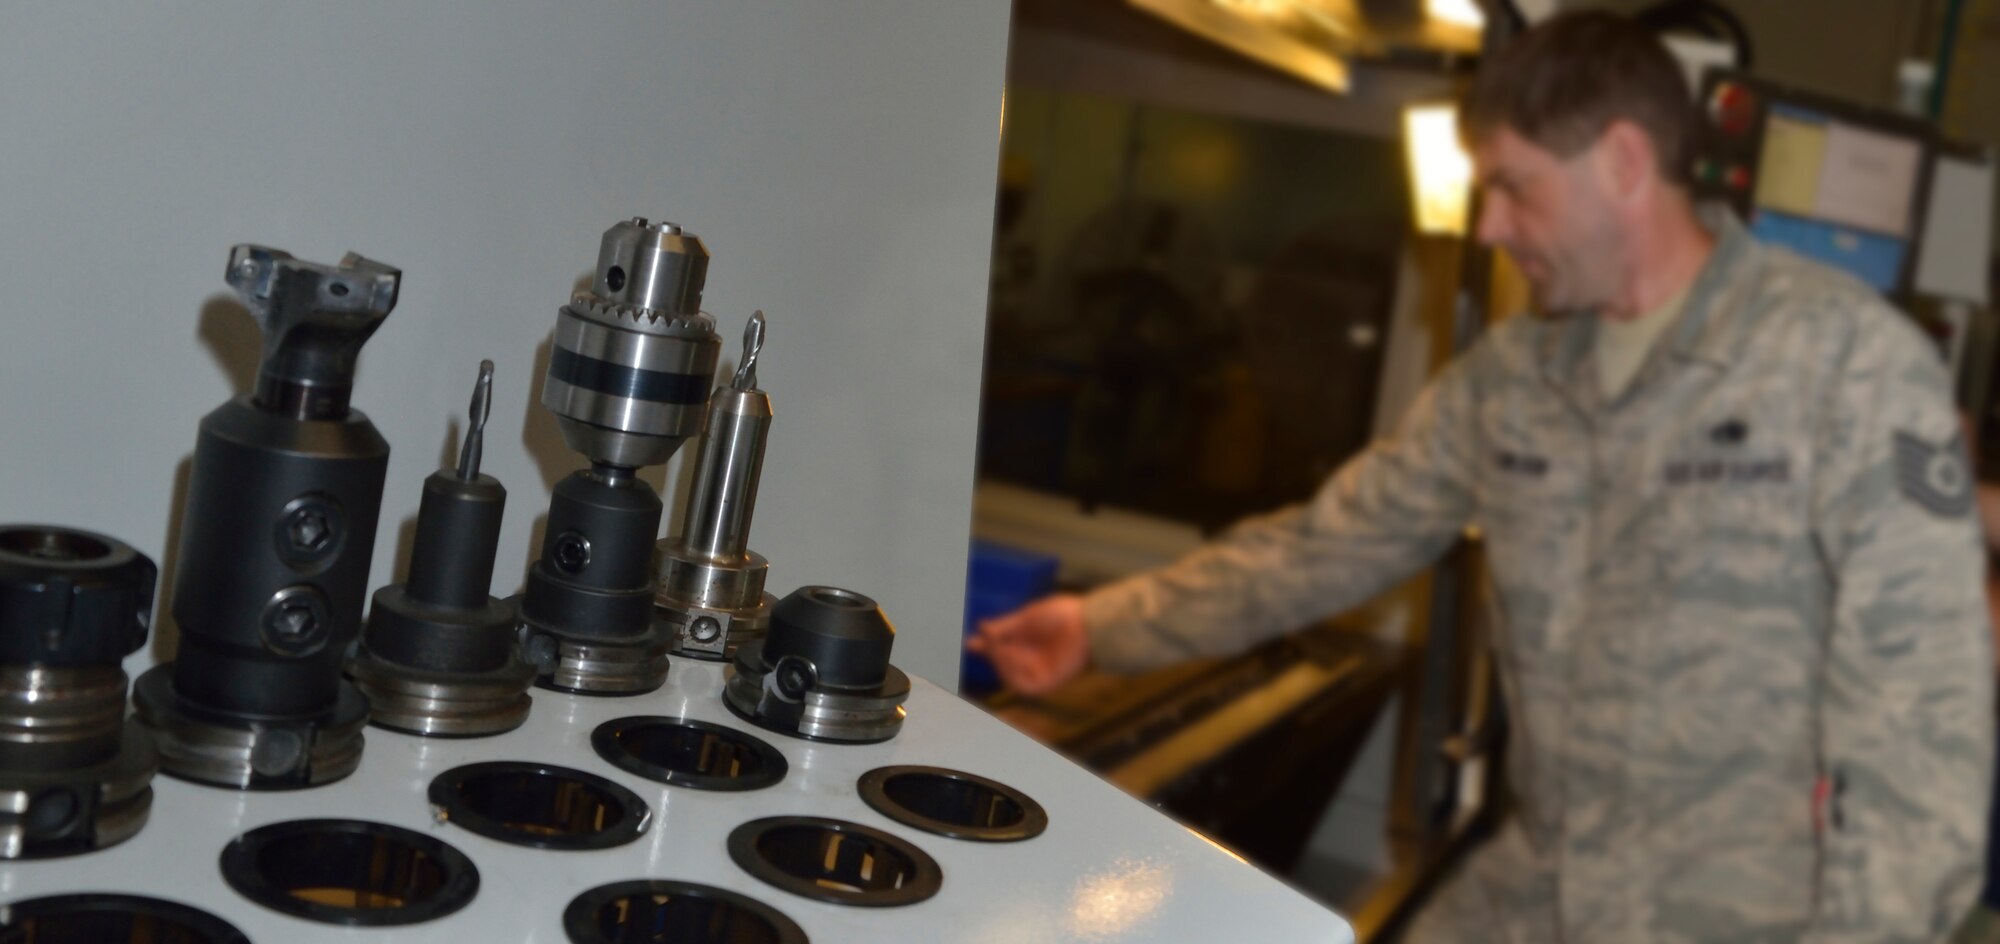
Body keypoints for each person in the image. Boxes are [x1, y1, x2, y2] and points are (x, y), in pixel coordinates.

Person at [970, 11, 1994, 942]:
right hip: (1540, 888)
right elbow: (1321, 547)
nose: (1490, 226)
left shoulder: (1842, 365)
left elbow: (1921, 743)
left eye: (1511, 184)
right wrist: (1103, 623)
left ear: (1624, 161)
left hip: (1750, 915)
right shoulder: (1513, 379)